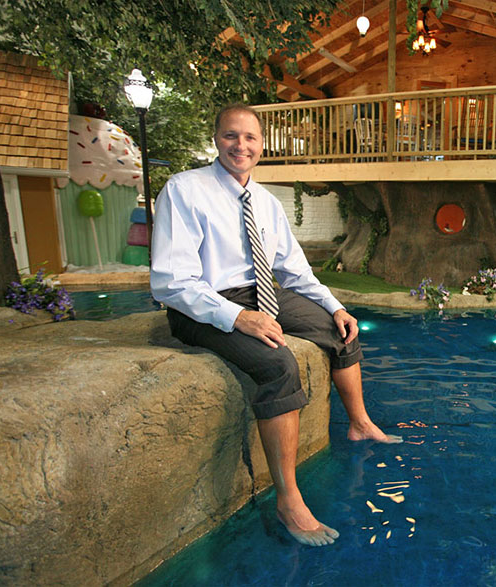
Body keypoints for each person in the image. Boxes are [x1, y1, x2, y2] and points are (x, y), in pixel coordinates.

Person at [150, 103, 400, 548]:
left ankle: (360, 423)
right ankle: (288, 500)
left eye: (249, 138)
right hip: (205, 303)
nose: (240, 145)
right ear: (216, 140)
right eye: (231, 136)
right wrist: (238, 317)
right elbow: (172, 282)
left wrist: (336, 306)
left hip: (262, 293)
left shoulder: (264, 202)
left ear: (261, 145)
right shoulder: (184, 190)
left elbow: (295, 272)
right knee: (279, 364)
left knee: (337, 331)